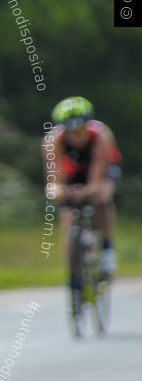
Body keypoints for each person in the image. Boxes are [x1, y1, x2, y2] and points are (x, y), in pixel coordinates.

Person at [44, 96, 120, 278]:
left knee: (101, 197)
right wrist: (59, 191)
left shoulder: (101, 136)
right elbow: (53, 180)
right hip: (75, 171)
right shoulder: (53, 141)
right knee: (67, 213)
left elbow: (96, 179)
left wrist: (88, 191)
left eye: (80, 130)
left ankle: (108, 249)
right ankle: (74, 265)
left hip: (101, 168)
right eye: (72, 132)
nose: (76, 136)